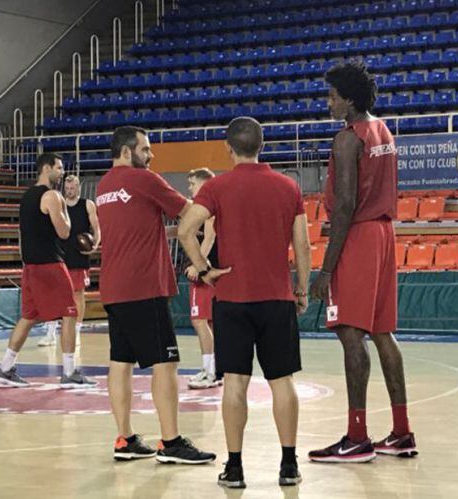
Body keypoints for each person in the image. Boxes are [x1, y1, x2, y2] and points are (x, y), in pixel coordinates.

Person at [178, 117, 311, 488]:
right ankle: (288, 465)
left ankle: (234, 468)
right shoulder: (288, 187)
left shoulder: (217, 187)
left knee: (235, 382)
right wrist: (300, 289)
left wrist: (204, 271)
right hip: (276, 298)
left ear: (228, 147)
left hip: (232, 298)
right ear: (262, 145)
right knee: (282, 382)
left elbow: (186, 230)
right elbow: (302, 245)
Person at [308, 61, 417, 463]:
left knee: (351, 334)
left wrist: (326, 268)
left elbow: (345, 206)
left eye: (333, 96)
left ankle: (357, 437)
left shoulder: (348, 138)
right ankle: (402, 432)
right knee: (383, 333)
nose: (328, 102)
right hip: (385, 233)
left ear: (349, 98)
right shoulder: (382, 129)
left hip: (358, 235)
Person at [95, 126, 215, 464]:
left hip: (114, 288)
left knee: (120, 363)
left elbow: (136, 226)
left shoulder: (104, 185)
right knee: (166, 363)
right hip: (144, 287)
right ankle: (171, 442)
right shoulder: (144, 180)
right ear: (125, 152)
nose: (151, 155)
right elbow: (188, 210)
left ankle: (125, 438)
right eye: (145, 149)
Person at [0, 153, 96, 389]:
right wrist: (65, 209)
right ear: (47, 168)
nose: (61, 173)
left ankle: (5, 367)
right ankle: (69, 372)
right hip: (50, 263)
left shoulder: (27, 196)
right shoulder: (52, 196)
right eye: (59, 168)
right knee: (70, 312)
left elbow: (22, 234)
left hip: (30, 265)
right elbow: (65, 232)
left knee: (28, 316)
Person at [39, 174, 100, 348]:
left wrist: (95, 243)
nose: (69, 190)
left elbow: (96, 227)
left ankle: (77, 333)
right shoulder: (58, 203)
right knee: (53, 294)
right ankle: (50, 333)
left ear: (78, 187)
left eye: (72, 187)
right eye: (67, 188)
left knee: (78, 295)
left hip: (79, 255)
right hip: (59, 255)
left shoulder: (87, 204)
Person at [184, 168, 221, 390]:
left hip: (207, 272)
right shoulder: (218, 202)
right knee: (211, 323)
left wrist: (198, 264)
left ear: (204, 184)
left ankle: (210, 372)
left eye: (192, 184)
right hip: (218, 270)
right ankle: (214, 369)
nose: (190, 188)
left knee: (199, 321)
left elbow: (210, 236)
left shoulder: (209, 206)